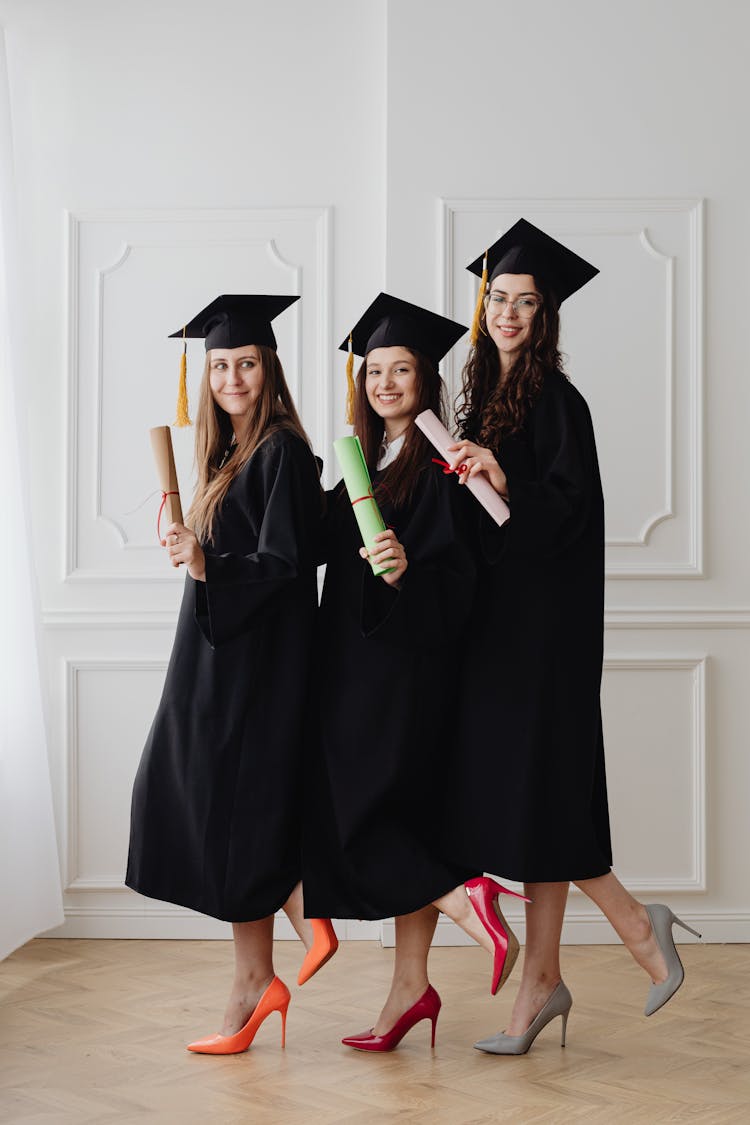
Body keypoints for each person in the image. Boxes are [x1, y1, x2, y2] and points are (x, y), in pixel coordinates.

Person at [445, 220, 700, 1055]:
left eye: (525, 302)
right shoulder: (479, 398)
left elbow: (570, 516)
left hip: (543, 633)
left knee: (542, 792)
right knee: (530, 798)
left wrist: (502, 474)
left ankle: (625, 927)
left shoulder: (558, 401)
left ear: (546, 314)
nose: (510, 313)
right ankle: (550, 975)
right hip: (493, 630)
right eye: (499, 300)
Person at [303, 293, 528, 1053]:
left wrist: (404, 577)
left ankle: (466, 897)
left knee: (363, 810)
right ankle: (410, 989)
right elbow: (321, 540)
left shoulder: (440, 461)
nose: (386, 383)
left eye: (402, 370)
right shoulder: (364, 460)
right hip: (360, 664)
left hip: (399, 672)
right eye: (375, 370)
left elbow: (463, 577)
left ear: (427, 378)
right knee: (403, 815)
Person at [125, 294, 337, 1055]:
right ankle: (258, 979)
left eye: (246, 363)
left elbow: (285, 561)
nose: (232, 376)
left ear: (268, 368)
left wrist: (210, 561)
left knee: (225, 798)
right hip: (216, 650)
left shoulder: (278, 447)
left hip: (254, 660)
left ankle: (304, 911)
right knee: (210, 797)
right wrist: (194, 551)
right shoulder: (227, 452)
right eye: (220, 365)